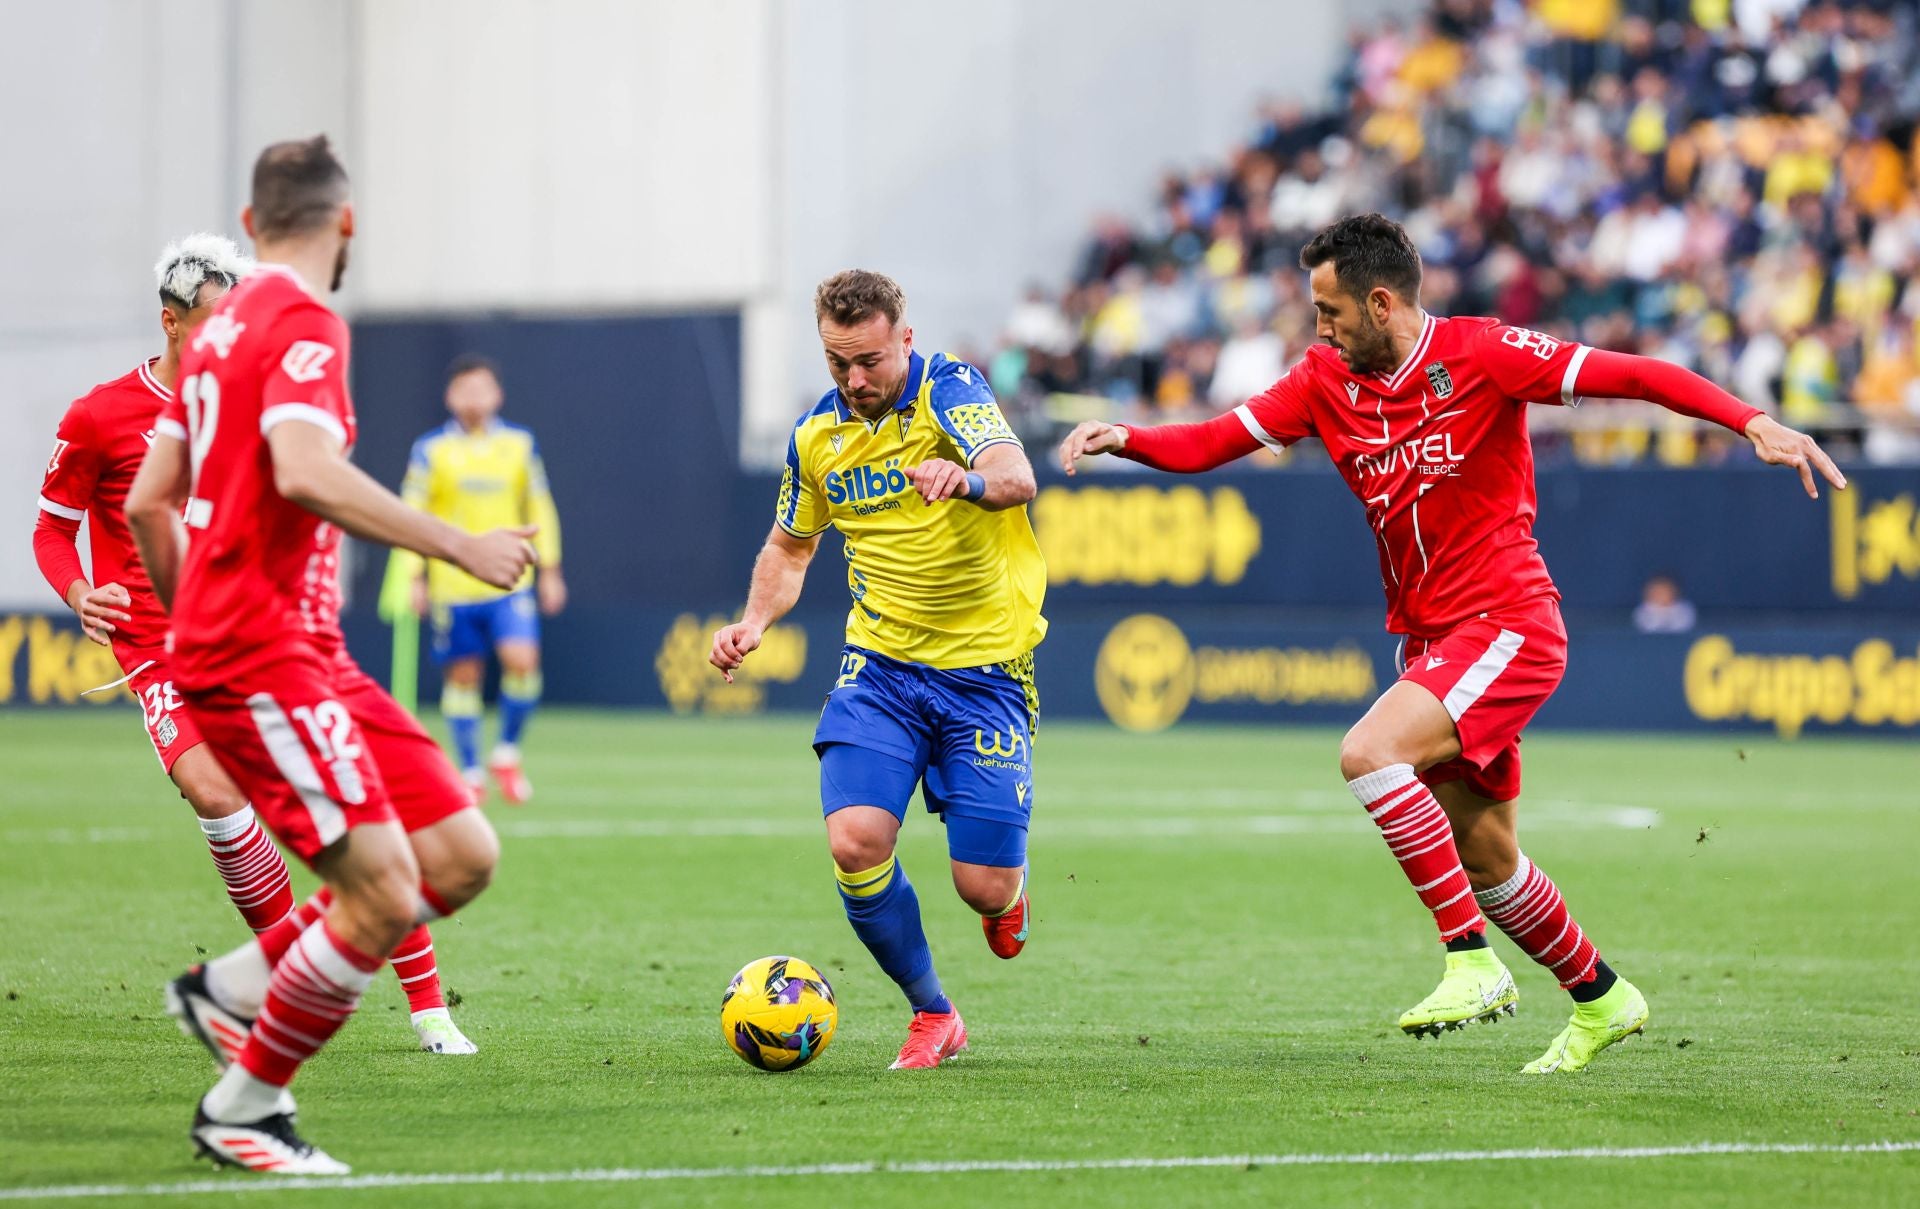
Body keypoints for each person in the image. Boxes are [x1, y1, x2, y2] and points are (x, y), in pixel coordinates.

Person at [1059, 213, 1845, 1073]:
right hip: (1431, 640)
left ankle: (1470, 962)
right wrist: (1125, 438)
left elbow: (1637, 374)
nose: (1319, 327)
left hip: (1508, 622)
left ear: (1382, 302)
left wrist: (1751, 420)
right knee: (1489, 855)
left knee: (1369, 754)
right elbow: (1216, 440)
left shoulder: (1482, 352)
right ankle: (1603, 998)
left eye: (1330, 310)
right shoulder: (1324, 379)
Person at [125, 135, 538, 1172]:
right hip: (260, 649)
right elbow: (305, 471)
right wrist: (459, 544)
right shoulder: (303, 321)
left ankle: (229, 986)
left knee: (460, 853)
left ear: (251, 223)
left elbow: (146, 502)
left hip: (298, 650)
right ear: (344, 224)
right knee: (387, 890)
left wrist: (186, 617)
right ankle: (245, 1109)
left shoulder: (213, 335)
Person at [32, 235, 474, 1055]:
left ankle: (427, 1008)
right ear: (170, 321)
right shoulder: (101, 416)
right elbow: (53, 530)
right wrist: (78, 590)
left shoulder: (258, 406)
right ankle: (282, 980)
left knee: (359, 804)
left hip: (264, 635)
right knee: (214, 791)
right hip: (160, 646)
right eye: (211, 320)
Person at [710, 270, 1046, 1070]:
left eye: (868, 361)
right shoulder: (815, 437)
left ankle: (1009, 889)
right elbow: (790, 548)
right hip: (882, 669)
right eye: (836, 363)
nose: (855, 381)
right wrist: (753, 621)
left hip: (986, 672)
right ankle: (933, 1012)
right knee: (856, 841)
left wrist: (960, 479)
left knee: (983, 889)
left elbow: (1016, 475)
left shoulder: (950, 390)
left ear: (905, 337)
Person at [393, 355, 565, 804]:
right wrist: (414, 576)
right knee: (463, 679)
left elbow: (540, 507)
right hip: (453, 584)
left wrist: (548, 569)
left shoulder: (520, 446)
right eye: (464, 389)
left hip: (510, 580)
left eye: (481, 389)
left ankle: (506, 752)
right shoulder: (430, 451)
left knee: (523, 663)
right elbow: (409, 515)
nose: (473, 398)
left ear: (497, 395)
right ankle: (470, 769)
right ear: (450, 397)